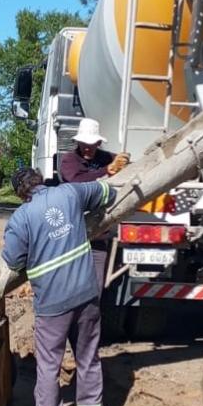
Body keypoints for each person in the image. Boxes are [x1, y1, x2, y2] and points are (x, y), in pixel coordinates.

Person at [1, 166, 117, 406]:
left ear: (20, 194)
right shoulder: (70, 192)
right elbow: (107, 192)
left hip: (53, 304)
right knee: (88, 356)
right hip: (87, 294)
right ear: (40, 181)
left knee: (49, 366)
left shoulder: (21, 218)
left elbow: (14, 261)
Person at [59, 117, 129, 293]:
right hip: (74, 232)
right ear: (78, 142)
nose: (88, 148)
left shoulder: (105, 157)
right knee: (71, 283)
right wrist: (107, 171)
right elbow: (77, 180)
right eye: (84, 144)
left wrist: (126, 163)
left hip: (99, 233)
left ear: (99, 142)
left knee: (96, 287)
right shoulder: (69, 161)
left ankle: (91, 315)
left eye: (92, 144)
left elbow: (122, 165)